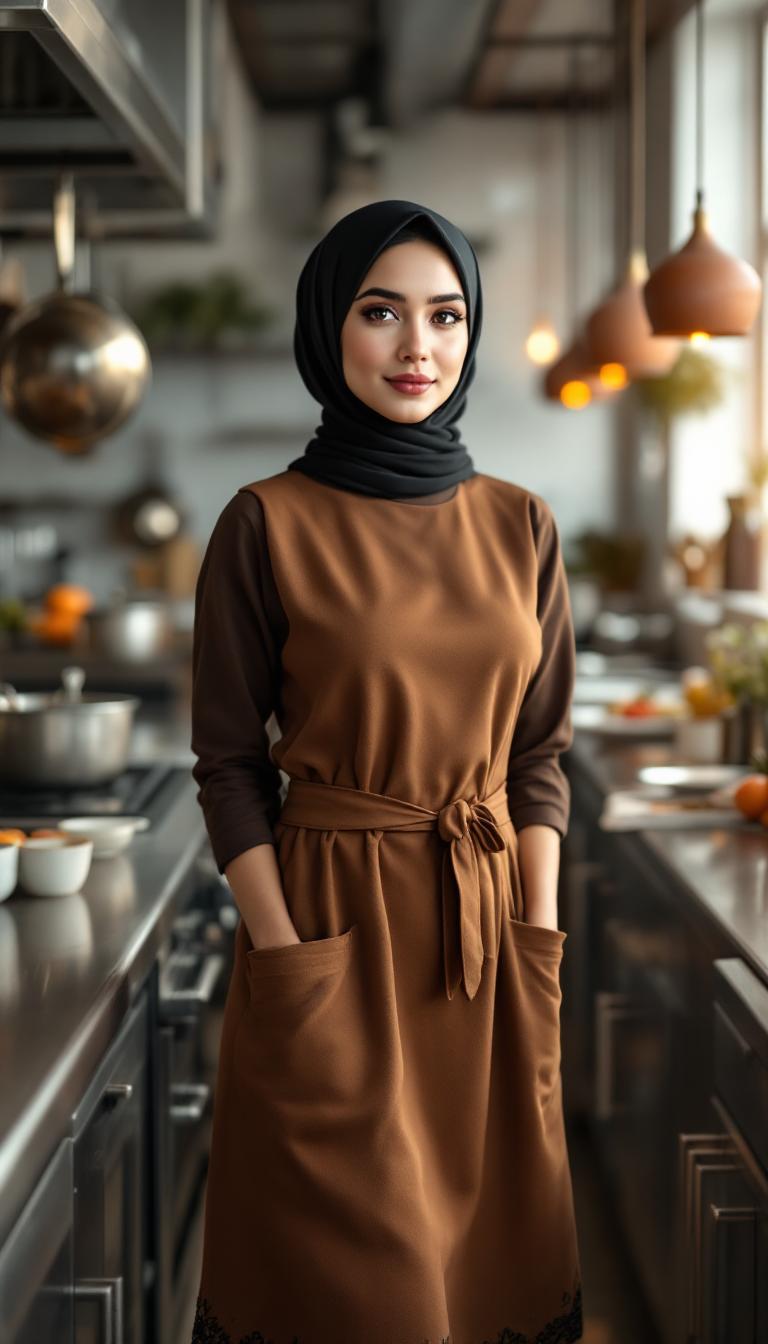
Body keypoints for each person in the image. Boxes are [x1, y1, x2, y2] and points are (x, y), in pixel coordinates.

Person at [189, 199, 583, 1344]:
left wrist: (537, 936)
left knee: (488, 1277)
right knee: (357, 1290)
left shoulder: (523, 527)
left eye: (447, 315)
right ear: (329, 327)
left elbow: (540, 755)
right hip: (332, 943)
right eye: (381, 312)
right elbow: (225, 765)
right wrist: (285, 954)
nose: (419, 346)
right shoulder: (264, 523)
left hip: (492, 944)